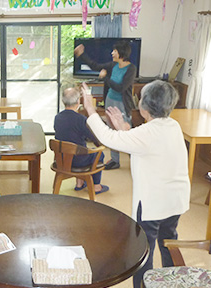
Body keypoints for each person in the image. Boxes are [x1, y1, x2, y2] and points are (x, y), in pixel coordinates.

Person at [81, 80, 190, 288]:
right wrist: (124, 128)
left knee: (143, 250)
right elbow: (144, 145)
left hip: (152, 206)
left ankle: (143, 285)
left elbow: (108, 138)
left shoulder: (147, 134)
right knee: (168, 243)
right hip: (175, 201)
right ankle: (172, 281)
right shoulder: (172, 125)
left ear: (145, 106)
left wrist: (90, 109)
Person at [74, 41, 136, 170]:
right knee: (111, 130)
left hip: (122, 104)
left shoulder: (131, 69)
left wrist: (105, 77)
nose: (112, 53)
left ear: (121, 53)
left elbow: (121, 87)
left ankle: (135, 159)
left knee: (126, 132)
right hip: (110, 100)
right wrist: (82, 54)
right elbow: (95, 65)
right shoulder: (113, 65)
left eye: (115, 51)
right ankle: (115, 160)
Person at [54, 86, 109, 194]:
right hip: (78, 161)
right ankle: (96, 186)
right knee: (99, 154)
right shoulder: (80, 119)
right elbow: (93, 137)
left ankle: (79, 183)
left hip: (61, 159)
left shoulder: (57, 117)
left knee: (76, 147)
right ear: (78, 101)